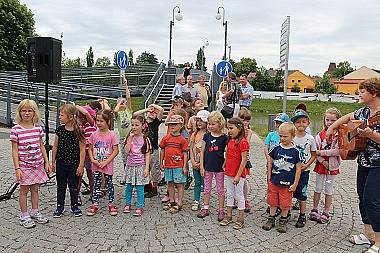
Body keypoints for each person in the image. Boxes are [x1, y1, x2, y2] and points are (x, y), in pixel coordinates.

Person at [326, 78, 380, 252]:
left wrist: (371, 134)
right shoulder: (364, 112)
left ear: (374, 93)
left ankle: (379, 242)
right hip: (364, 161)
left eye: (363, 91)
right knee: (362, 198)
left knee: (372, 200)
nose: (359, 94)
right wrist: (332, 127)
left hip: (378, 164)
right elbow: (349, 117)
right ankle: (367, 234)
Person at [10, 99, 50, 228]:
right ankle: (24, 215)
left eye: (29, 110)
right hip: (24, 166)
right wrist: (17, 168)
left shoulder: (38, 128)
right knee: (24, 190)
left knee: (35, 189)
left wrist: (46, 162)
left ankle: (35, 211)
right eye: (24, 110)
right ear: (20, 112)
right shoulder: (16, 129)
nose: (26, 113)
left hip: (37, 165)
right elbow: (14, 150)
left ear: (34, 112)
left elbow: (41, 146)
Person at [262, 122, 302, 233]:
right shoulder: (276, 148)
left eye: (285, 136)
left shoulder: (296, 151)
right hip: (274, 182)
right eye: (280, 136)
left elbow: (299, 168)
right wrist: (269, 177)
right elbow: (270, 161)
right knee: (273, 202)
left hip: (287, 184)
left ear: (293, 136)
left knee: (285, 204)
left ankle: (283, 220)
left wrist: (295, 184)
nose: (282, 138)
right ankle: (271, 218)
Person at [52, 104, 85, 218]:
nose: (59, 117)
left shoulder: (78, 131)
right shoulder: (59, 130)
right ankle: (60, 206)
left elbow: (82, 149)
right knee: (60, 186)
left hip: (73, 164)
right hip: (61, 163)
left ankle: (74, 205)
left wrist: (81, 165)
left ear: (70, 117)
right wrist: (53, 162)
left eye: (61, 115)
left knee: (73, 185)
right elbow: (55, 146)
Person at [309, 108, 342, 224]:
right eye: (327, 119)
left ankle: (326, 211)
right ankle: (314, 208)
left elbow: (337, 151)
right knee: (318, 187)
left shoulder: (339, 136)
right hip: (321, 165)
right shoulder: (320, 135)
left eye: (333, 120)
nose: (329, 122)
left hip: (332, 166)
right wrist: (322, 160)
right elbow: (314, 151)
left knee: (329, 189)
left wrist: (322, 153)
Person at [87, 109, 119, 216]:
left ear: (108, 122)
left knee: (109, 184)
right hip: (96, 164)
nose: (99, 123)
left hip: (107, 164)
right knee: (96, 184)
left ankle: (111, 203)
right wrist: (92, 159)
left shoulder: (112, 135)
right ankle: (95, 203)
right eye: (97, 121)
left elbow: (116, 150)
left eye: (102, 121)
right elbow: (90, 149)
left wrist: (106, 162)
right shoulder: (93, 135)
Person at [219, 117, 249, 230]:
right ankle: (229, 215)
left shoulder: (243, 142)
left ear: (239, 128)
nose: (229, 131)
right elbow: (228, 153)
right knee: (230, 194)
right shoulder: (230, 140)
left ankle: (241, 218)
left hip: (238, 174)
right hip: (229, 171)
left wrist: (238, 175)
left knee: (239, 195)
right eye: (228, 128)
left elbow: (244, 160)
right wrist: (225, 163)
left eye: (231, 128)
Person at [197, 111, 227, 221]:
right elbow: (202, 151)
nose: (210, 126)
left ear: (220, 124)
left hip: (219, 168)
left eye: (213, 124)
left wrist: (225, 163)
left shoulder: (224, 138)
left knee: (220, 190)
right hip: (207, 166)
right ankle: (205, 208)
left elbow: (228, 152)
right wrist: (201, 166)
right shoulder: (206, 136)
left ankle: (221, 210)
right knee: (207, 189)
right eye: (209, 124)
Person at [291, 109, 317, 228]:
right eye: (298, 122)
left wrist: (307, 165)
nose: (301, 124)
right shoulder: (291, 137)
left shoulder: (311, 139)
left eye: (303, 122)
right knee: (289, 190)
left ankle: (302, 215)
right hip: (291, 170)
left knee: (302, 193)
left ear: (308, 123)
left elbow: (314, 154)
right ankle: (285, 211)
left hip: (304, 171)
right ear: (294, 124)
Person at [133, 104, 164, 198]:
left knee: (154, 169)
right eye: (151, 112)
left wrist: (154, 106)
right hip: (142, 150)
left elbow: (161, 110)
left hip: (153, 150)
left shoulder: (156, 122)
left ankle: (154, 189)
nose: (152, 113)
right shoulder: (143, 123)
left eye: (154, 112)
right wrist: (147, 109)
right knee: (144, 168)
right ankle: (147, 186)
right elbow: (135, 114)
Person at [160, 115, 189, 214]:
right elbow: (162, 150)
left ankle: (179, 202)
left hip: (178, 166)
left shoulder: (182, 140)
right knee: (170, 184)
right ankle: (171, 201)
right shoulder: (166, 138)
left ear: (181, 125)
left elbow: (185, 153)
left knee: (180, 184)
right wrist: (161, 162)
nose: (172, 126)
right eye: (170, 124)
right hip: (168, 165)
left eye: (175, 124)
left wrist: (185, 166)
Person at [123, 115, 151, 216]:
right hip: (130, 166)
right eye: (132, 125)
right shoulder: (129, 138)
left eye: (136, 125)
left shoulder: (145, 139)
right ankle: (127, 204)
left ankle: (139, 206)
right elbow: (126, 151)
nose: (134, 127)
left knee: (140, 187)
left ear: (143, 126)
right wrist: (130, 139)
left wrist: (146, 168)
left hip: (140, 166)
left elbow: (147, 154)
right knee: (129, 186)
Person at [76, 104, 97, 205]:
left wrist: (76, 106)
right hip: (80, 153)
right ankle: (76, 196)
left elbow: (86, 113)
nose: (82, 119)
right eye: (80, 118)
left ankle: (93, 193)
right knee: (78, 175)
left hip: (90, 153)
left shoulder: (92, 124)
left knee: (91, 174)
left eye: (82, 118)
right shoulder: (78, 126)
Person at [114, 75, 133, 185]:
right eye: (122, 103)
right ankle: (126, 175)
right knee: (125, 158)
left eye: (124, 102)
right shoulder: (118, 114)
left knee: (133, 157)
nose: (123, 104)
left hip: (131, 138)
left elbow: (129, 98)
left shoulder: (129, 111)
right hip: (122, 138)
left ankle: (132, 175)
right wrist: (119, 104)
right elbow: (115, 111)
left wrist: (126, 85)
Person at [189, 110, 209, 211]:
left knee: (205, 182)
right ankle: (196, 200)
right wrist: (192, 161)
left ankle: (206, 201)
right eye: (198, 120)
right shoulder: (194, 134)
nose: (199, 122)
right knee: (197, 182)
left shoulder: (209, 135)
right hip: (195, 162)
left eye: (202, 120)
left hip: (206, 163)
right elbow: (191, 149)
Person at [238, 108, 253, 213]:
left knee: (244, 180)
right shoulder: (236, 131)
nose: (245, 122)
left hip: (244, 158)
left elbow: (247, 144)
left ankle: (245, 199)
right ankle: (235, 199)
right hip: (235, 158)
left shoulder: (249, 132)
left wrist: (245, 133)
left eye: (247, 120)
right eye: (243, 120)